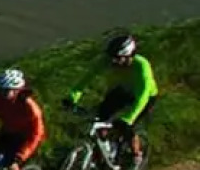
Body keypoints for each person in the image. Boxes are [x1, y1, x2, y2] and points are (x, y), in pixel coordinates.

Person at [66, 33, 158, 161]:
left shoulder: (142, 66)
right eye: (112, 58)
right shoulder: (106, 60)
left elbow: (142, 96)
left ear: (129, 56)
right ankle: (104, 153)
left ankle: (136, 155)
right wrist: (72, 97)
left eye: (118, 58)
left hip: (144, 97)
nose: (113, 62)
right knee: (100, 119)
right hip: (121, 92)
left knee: (127, 127)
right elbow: (86, 79)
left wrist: (129, 118)